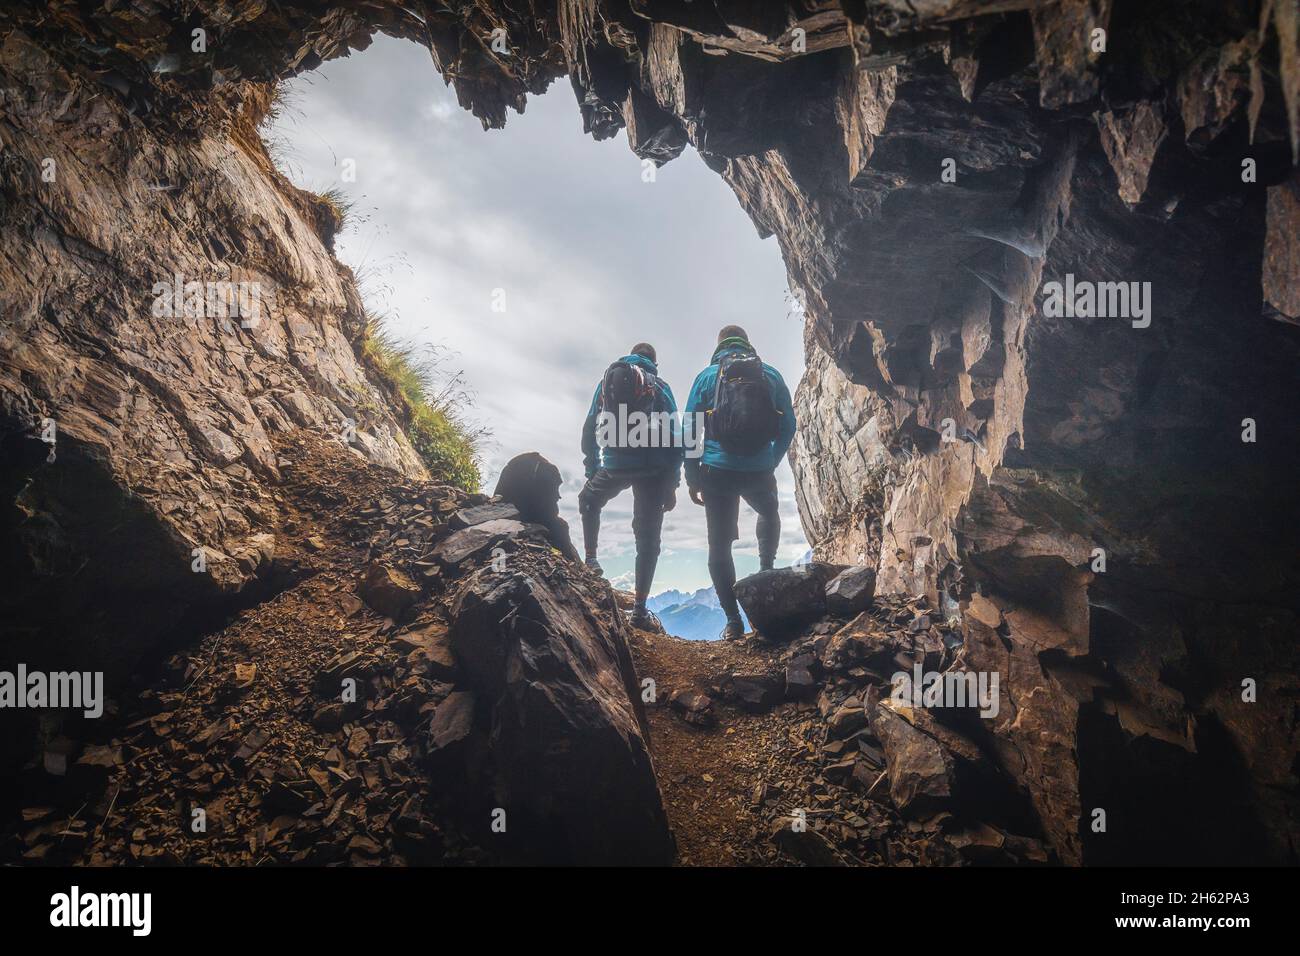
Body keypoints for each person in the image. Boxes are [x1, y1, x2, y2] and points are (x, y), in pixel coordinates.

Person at [684, 325, 796, 639]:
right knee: (769, 513)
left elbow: (690, 429)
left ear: (719, 346)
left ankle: (733, 622)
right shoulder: (770, 374)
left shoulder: (707, 377)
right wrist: (769, 460)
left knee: (719, 546)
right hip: (759, 470)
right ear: (748, 344)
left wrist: (692, 476)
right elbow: (788, 424)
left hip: (717, 473)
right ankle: (765, 570)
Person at [579, 343, 682, 627]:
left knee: (588, 500)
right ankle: (639, 611)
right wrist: (672, 484)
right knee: (647, 539)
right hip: (652, 471)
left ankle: (591, 561)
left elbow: (590, 427)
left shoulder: (607, 383)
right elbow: (676, 438)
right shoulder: (659, 386)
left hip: (614, 465)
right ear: (654, 363)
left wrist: (592, 468)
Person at [493, 451, 581, 564]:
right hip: (527, 517)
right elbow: (550, 512)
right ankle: (574, 564)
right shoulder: (542, 471)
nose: (558, 496)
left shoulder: (520, 470)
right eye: (555, 488)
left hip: (518, 513)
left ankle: (575, 565)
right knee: (561, 526)